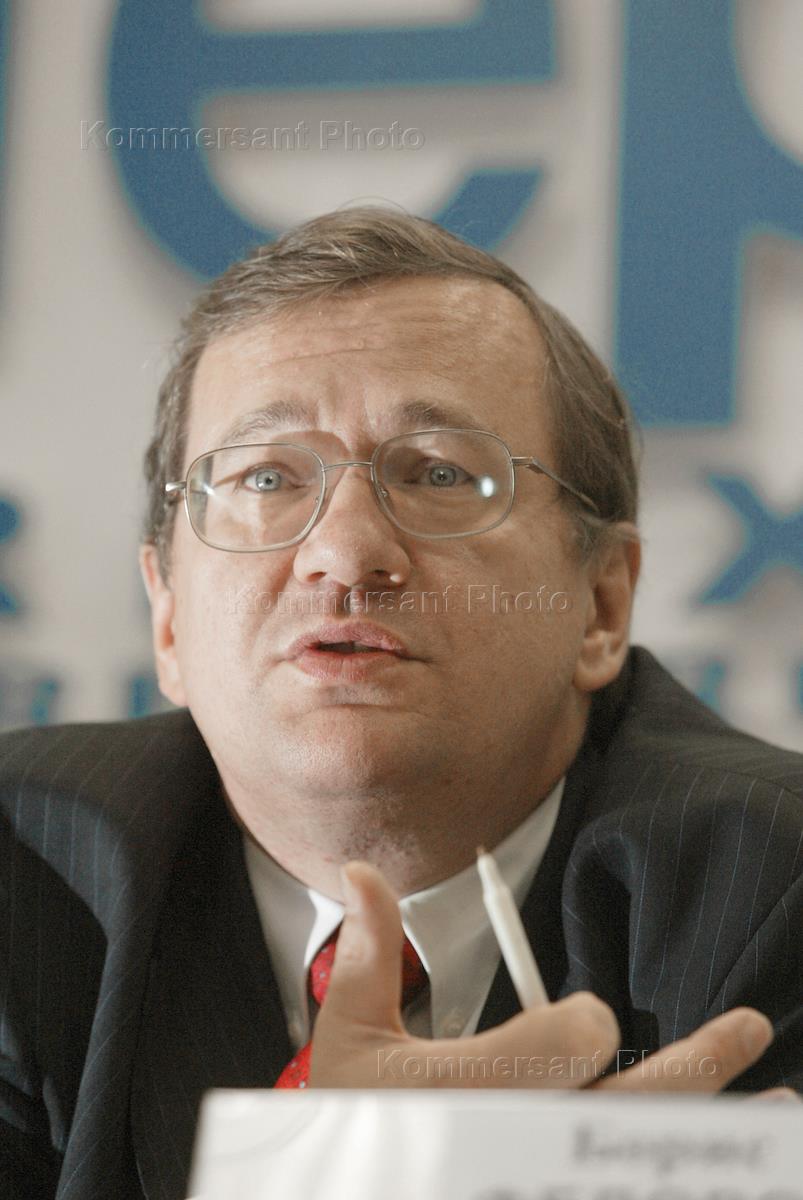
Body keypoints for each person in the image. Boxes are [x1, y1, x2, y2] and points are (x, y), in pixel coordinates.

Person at [1, 208, 801, 1200]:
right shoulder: (24, 870)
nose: (344, 554)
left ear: (599, 605)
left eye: (438, 474)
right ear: (167, 616)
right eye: (265, 476)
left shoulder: (775, 889)